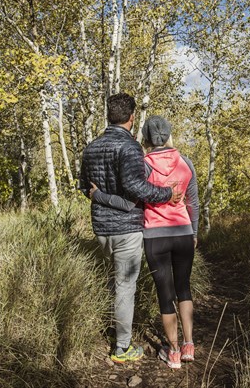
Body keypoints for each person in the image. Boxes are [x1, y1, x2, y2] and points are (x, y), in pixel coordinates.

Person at [90, 115, 200, 369]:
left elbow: (133, 200)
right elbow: (192, 202)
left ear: (146, 138)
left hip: (155, 236)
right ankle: (189, 345)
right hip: (183, 232)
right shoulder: (186, 163)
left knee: (165, 293)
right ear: (169, 134)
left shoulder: (143, 165)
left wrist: (100, 195)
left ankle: (172, 352)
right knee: (184, 288)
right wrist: (193, 232)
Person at [80, 94, 180, 364]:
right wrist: (167, 193)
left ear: (108, 115)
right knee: (125, 287)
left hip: (101, 228)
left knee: (114, 283)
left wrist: (103, 197)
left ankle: (115, 334)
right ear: (132, 117)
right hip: (126, 228)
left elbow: (85, 189)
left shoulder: (90, 148)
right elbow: (137, 188)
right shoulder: (131, 147)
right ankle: (122, 347)